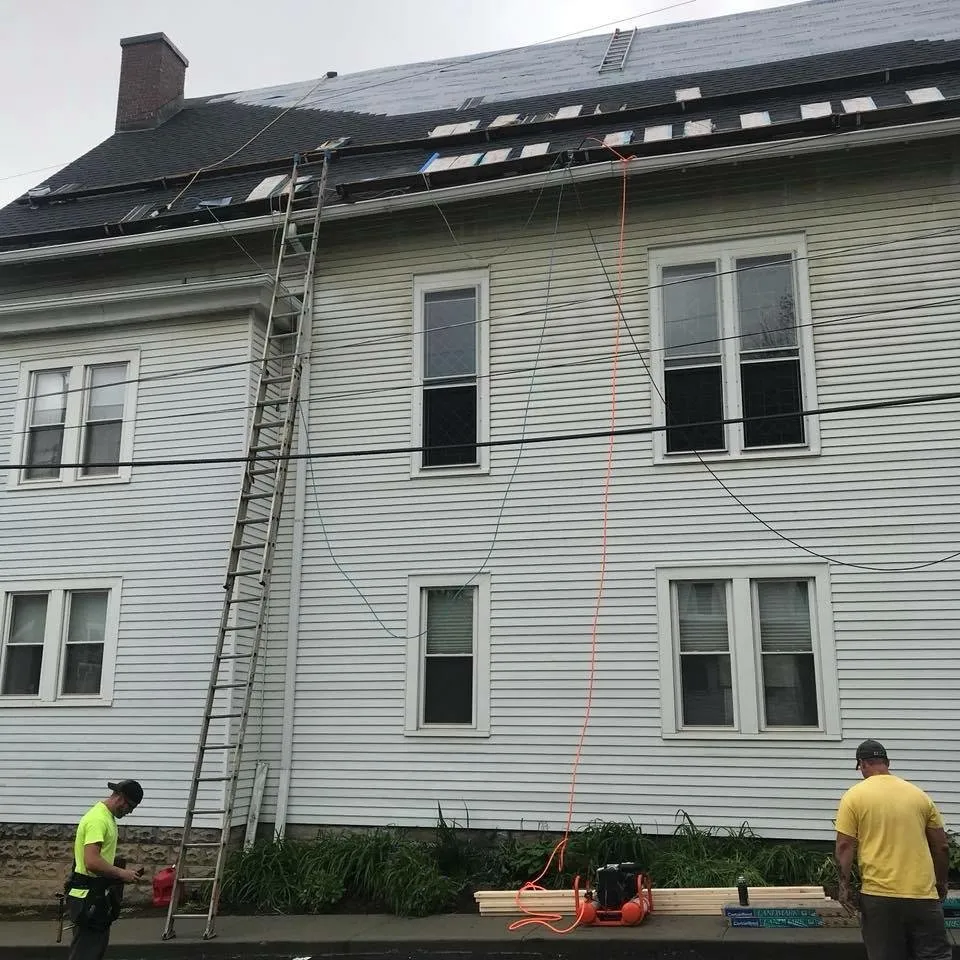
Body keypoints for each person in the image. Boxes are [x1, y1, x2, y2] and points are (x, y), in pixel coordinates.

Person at [834, 740, 951, 960]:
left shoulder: (853, 797)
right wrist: (941, 884)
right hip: (923, 896)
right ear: (887, 763)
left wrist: (844, 887)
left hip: (879, 897)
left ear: (862, 764)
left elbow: (844, 845)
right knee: (933, 956)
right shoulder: (919, 795)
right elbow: (941, 846)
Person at [66, 780, 145, 960]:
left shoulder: (106, 817)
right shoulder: (98, 819)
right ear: (121, 799)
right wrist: (121, 873)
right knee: (86, 954)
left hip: (95, 896)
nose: (130, 811)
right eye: (131, 806)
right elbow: (92, 862)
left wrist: (120, 873)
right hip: (89, 898)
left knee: (92, 951)